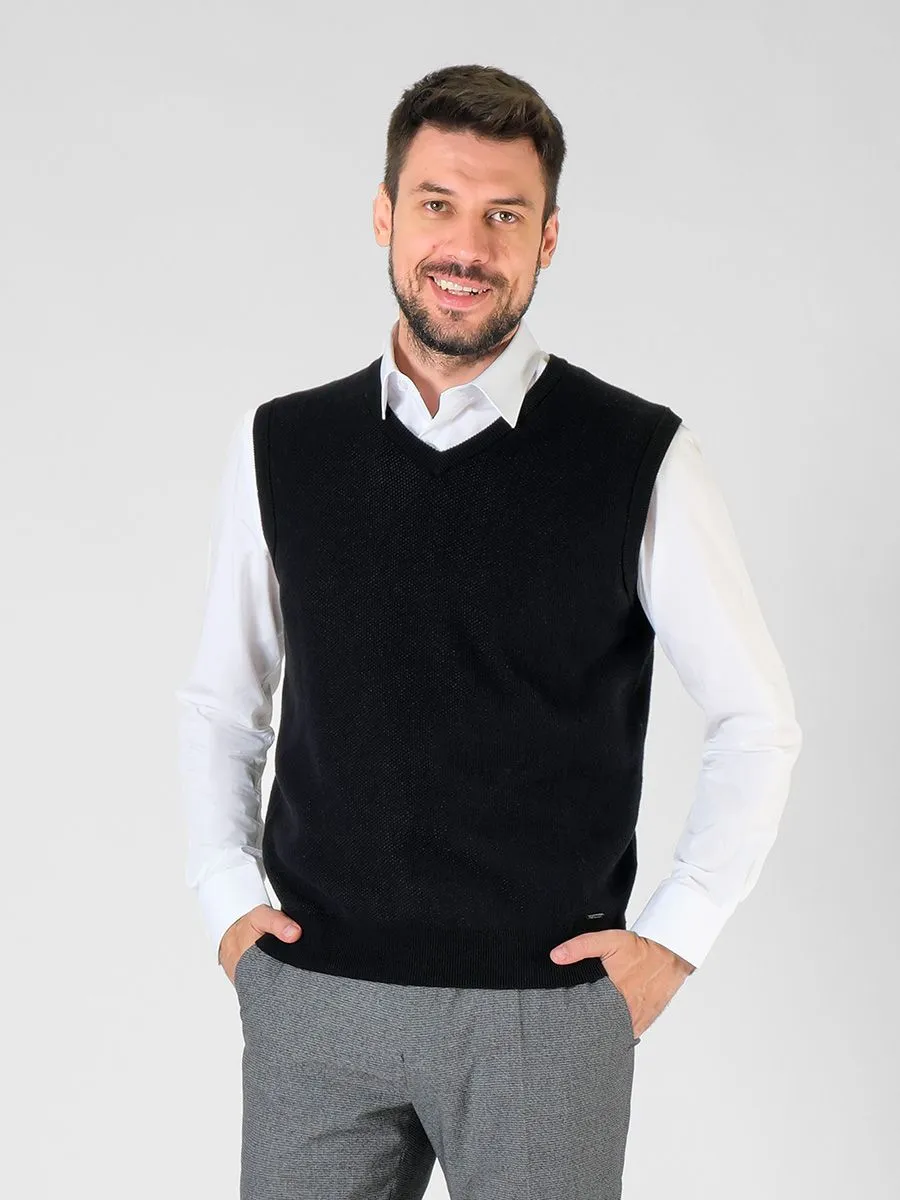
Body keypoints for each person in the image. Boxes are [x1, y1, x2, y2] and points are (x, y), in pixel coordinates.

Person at [175, 62, 802, 1200]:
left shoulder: (638, 456)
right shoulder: (283, 446)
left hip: (544, 1013)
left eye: (504, 215)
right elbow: (226, 700)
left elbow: (758, 720)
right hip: (316, 994)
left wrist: (673, 940)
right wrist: (229, 903)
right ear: (384, 215)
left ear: (548, 239)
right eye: (438, 205)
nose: (465, 246)